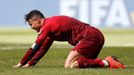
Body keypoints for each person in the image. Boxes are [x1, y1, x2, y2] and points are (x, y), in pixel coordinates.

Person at [13, 10, 125, 69]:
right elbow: (43, 48)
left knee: (69, 65)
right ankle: (108, 62)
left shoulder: (47, 25)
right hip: (96, 36)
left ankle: (107, 62)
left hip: (89, 37)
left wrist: (21, 63)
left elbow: (36, 46)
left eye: (30, 24)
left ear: (37, 20)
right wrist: (31, 63)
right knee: (79, 65)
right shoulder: (50, 27)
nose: (31, 27)